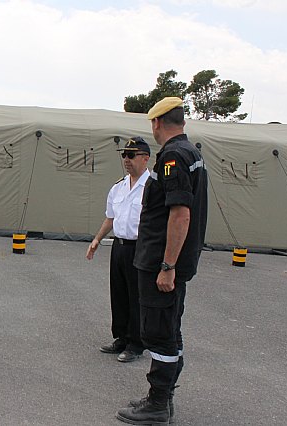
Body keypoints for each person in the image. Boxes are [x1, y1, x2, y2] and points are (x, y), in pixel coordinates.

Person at [116, 97, 208, 425]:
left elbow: (180, 213)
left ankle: (156, 404)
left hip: (160, 263)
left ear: (156, 123)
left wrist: (167, 266)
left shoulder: (172, 156)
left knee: (158, 332)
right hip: (166, 261)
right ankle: (163, 398)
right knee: (169, 329)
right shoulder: (191, 153)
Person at [86, 137, 150, 363]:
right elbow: (110, 218)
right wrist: (96, 239)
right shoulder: (118, 187)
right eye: (124, 155)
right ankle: (121, 337)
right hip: (119, 246)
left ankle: (136, 343)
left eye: (131, 155)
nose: (126, 160)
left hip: (140, 248)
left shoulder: (152, 187)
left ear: (145, 158)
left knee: (137, 296)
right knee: (119, 294)